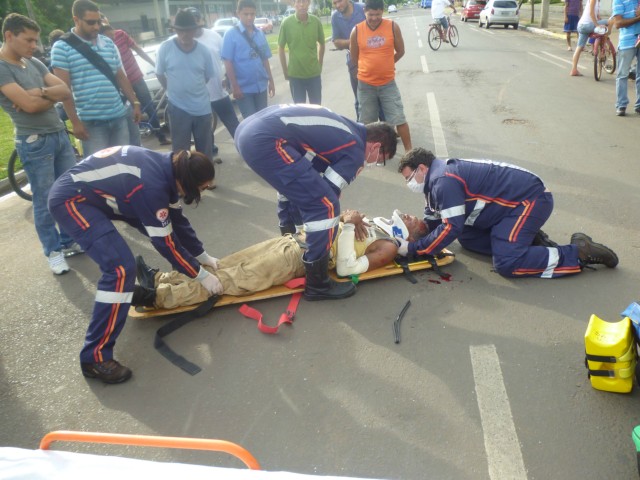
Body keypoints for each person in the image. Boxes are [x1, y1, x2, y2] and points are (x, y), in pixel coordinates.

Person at [48, 146, 221, 384]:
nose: (203, 191)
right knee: (120, 269)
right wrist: (201, 276)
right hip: (73, 200)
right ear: (187, 182)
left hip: (105, 194)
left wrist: (202, 256)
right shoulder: (152, 188)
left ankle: (134, 294)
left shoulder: (169, 168)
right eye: (201, 187)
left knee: (141, 252)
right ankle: (94, 358)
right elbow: (167, 245)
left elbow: (177, 223)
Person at [234, 104, 398, 301]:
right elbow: (327, 195)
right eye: (380, 159)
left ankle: (290, 235)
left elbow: (312, 176)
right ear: (376, 146)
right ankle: (317, 283)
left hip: (247, 131)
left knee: (304, 187)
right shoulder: (355, 149)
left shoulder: (345, 129)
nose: (374, 164)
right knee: (326, 207)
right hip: (265, 140)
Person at [133, 209, 429, 309]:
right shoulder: (379, 226)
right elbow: (341, 231)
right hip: (294, 241)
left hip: (301, 258)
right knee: (220, 265)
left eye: (415, 221)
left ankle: (157, 297)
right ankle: (162, 279)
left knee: (231, 280)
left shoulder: (389, 246)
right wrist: (343, 219)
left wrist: (349, 223)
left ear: (412, 235)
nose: (410, 216)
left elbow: (346, 268)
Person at [396, 148, 618, 278]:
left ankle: (577, 253)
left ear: (422, 169)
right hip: (509, 204)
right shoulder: (435, 181)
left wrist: (413, 248)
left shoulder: (443, 181)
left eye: (409, 177)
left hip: (530, 199)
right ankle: (528, 241)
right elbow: (436, 220)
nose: (408, 183)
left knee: (507, 263)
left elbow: (450, 226)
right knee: (467, 237)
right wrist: (414, 236)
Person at [0, 14, 84, 275]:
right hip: (34, 141)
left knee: (68, 193)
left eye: (35, 40)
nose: (34, 45)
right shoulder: (3, 67)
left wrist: (39, 92)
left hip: (58, 134)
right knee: (45, 200)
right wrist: (45, 96)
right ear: (9, 36)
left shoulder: (32, 62)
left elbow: (65, 91)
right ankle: (53, 251)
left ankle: (69, 241)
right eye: (28, 40)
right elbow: (29, 106)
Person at [50, 0, 141, 156]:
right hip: (92, 124)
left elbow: (120, 76)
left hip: (119, 117)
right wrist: (75, 122)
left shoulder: (108, 43)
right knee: (99, 172)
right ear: (76, 19)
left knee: (122, 165)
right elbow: (64, 90)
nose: (97, 27)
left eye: (99, 22)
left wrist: (135, 102)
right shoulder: (62, 47)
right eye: (91, 22)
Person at [350, 0, 412, 151]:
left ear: (382, 11)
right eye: (370, 14)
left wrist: (388, 64)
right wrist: (369, 69)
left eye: (378, 14)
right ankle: (366, 154)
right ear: (365, 11)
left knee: (399, 118)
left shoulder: (392, 26)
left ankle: (410, 152)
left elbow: (401, 51)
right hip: (365, 86)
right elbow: (354, 58)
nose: (374, 18)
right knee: (365, 124)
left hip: (388, 84)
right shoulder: (356, 31)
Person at [156, 9, 215, 160]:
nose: (184, 34)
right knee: (180, 151)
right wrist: (172, 89)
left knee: (205, 149)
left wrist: (193, 88)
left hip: (202, 108)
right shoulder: (165, 48)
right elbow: (160, 73)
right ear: (175, 30)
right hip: (178, 107)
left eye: (188, 30)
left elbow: (207, 76)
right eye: (180, 31)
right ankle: (182, 182)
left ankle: (204, 181)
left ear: (195, 30)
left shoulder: (204, 51)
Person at [100, 23, 170, 145]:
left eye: (112, 36)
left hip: (136, 77)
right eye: (108, 37)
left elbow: (138, 50)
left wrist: (155, 64)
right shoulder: (102, 45)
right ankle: (135, 142)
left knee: (150, 108)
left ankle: (161, 137)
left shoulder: (121, 34)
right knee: (129, 111)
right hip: (121, 83)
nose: (112, 39)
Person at [188, 7, 240, 143]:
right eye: (191, 22)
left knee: (233, 124)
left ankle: (244, 147)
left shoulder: (214, 36)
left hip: (218, 91)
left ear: (202, 20)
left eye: (197, 20)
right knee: (203, 128)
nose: (195, 25)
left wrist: (228, 79)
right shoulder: (183, 40)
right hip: (197, 95)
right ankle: (210, 150)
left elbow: (227, 59)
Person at [221, 0, 275, 119]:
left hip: (261, 86)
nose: (250, 17)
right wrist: (235, 86)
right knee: (251, 123)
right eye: (246, 14)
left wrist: (271, 81)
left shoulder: (259, 33)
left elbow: (265, 59)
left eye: (252, 14)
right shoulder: (230, 35)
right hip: (243, 89)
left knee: (263, 121)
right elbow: (227, 62)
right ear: (238, 13)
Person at [278, 0, 325, 104]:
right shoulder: (286, 23)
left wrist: (320, 64)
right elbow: (280, 48)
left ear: (309, 3)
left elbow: (322, 43)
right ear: (294, 3)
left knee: (317, 109)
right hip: (295, 76)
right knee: (299, 111)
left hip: (314, 75)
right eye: (298, 2)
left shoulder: (316, 21)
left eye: (305, 1)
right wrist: (285, 71)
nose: (302, 5)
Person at [331, 0, 366, 116]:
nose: (337, 5)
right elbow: (336, 42)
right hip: (353, 62)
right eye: (334, 3)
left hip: (372, 58)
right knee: (359, 98)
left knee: (379, 96)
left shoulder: (362, 9)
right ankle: (361, 130)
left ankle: (385, 130)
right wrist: (355, 42)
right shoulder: (335, 17)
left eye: (339, 1)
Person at [612, 0, 640, 116]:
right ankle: (621, 105)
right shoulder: (619, 1)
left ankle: (639, 105)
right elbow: (618, 23)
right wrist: (638, 18)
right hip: (627, 42)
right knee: (623, 74)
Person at [570, 0, 610, 76]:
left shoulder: (597, 2)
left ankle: (574, 70)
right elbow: (592, 13)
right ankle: (603, 50)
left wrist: (599, 21)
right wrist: (597, 25)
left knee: (579, 47)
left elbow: (596, 16)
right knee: (610, 21)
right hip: (587, 25)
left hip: (582, 26)